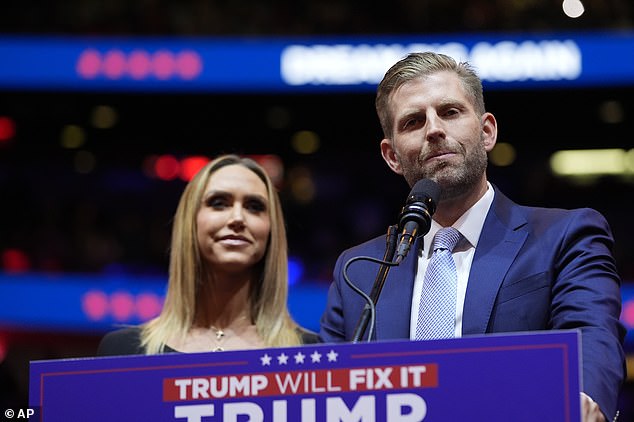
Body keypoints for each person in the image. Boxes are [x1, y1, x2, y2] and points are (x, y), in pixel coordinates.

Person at [319, 52, 626, 421]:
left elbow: (591, 335)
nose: (433, 129)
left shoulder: (565, 236)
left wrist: (582, 396)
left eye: (450, 112)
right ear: (392, 156)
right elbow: (329, 390)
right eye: (414, 121)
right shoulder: (361, 271)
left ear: (486, 131)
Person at [98, 154, 318, 356]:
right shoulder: (123, 351)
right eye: (219, 203)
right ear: (190, 223)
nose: (237, 218)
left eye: (254, 206)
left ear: (272, 230)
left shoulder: (312, 354)